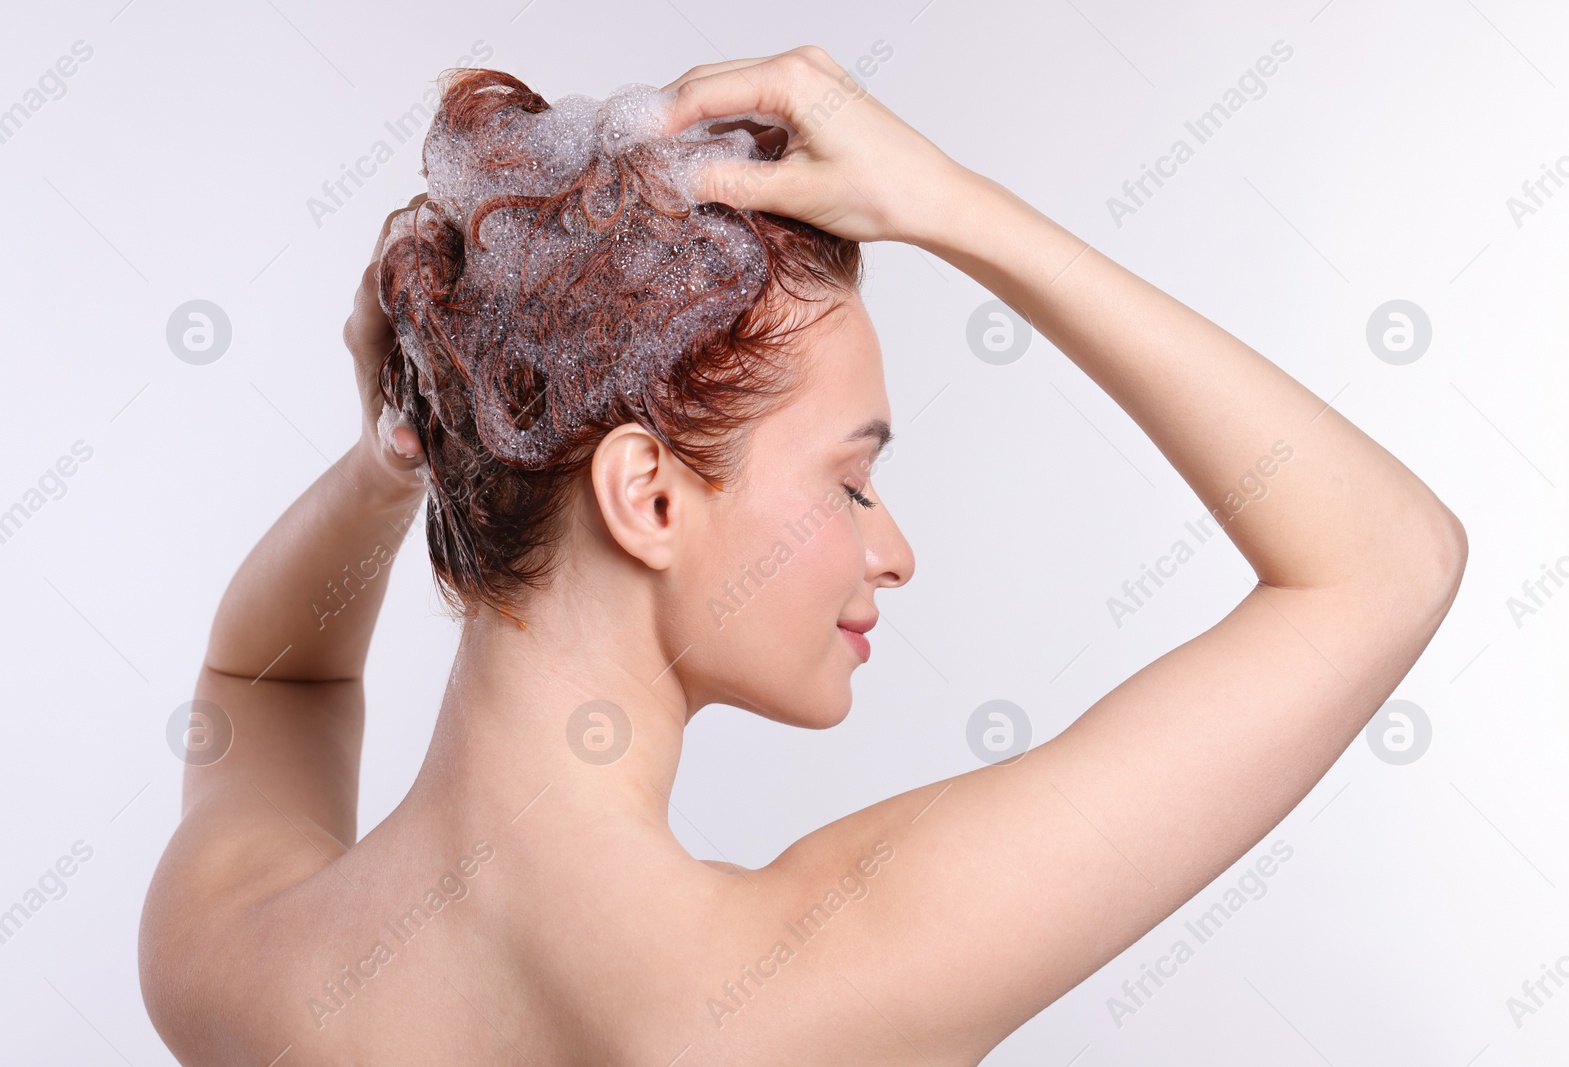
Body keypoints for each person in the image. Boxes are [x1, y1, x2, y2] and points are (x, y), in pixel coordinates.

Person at [139, 46, 1467, 1066]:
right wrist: (957, 210)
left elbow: (267, 688)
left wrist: (409, 445)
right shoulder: (810, 986)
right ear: (647, 497)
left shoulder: (242, 958)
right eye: (853, 479)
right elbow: (1382, 562)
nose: (892, 551)